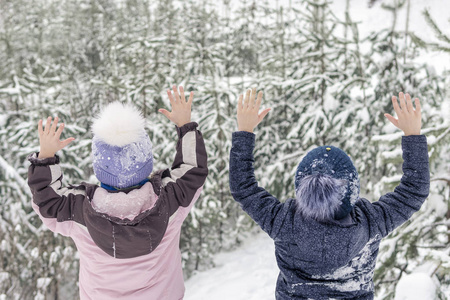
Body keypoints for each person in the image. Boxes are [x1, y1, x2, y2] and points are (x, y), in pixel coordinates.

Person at [229, 89, 429, 299]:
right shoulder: (372, 223)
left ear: (302, 189)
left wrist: (244, 132)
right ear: (351, 189)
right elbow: (414, 190)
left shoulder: (284, 222)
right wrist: (412, 135)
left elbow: (243, 187)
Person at [27, 86, 208, 300]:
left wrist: (46, 157)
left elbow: (46, 201)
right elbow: (192, 169)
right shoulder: (170, 200)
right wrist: (185, 126)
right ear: (145, 160)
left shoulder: (79, 210)